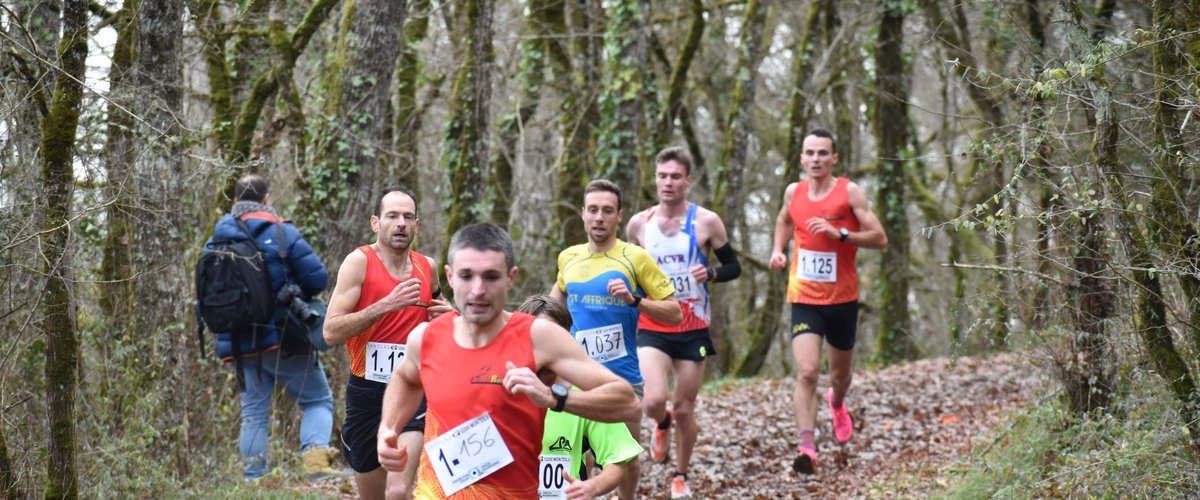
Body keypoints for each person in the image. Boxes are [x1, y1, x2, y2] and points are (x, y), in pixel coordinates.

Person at [376, 223, 640, 498]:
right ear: (450, 277)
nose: (477, 290)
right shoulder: (425, 338)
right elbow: (406, 378)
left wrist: (554, 398)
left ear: (511, 278)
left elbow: (628, 403)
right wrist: (388, 428)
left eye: (491, 277)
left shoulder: (539, 337)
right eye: (467, 276)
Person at [202, 174, 343, 481]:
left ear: (235, 202)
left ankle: (254, 481)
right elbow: (317, 279)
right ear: (266, 199)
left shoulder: (215, 241)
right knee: (317, 400)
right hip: (284, 337)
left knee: (253, 412)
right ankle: (316, 467)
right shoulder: (280, 232)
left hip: (238, 342)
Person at [551, 179, 682, 499]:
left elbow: (675, 312)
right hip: (575, 375)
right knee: (581, 455)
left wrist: (635, 300)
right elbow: (550, 311)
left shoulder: (635, 258)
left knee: (625, 458)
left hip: (621, 377)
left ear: (619, 216)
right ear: (582, 214)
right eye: (593, 210)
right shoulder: (568, 257)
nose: (599, 217)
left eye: (607, 211)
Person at [768, 128, 887, 474]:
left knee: (840, 376)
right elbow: (782, 220)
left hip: (842, 299)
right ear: (801, 158)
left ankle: (837, 402)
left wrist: (842, 235)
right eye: (810, 153)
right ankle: (807, 446)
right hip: (803, 297)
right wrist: (777, 251)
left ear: (834, 158)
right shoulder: (794, 192)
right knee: (806, 372)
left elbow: (880, 238)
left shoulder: (849, 192)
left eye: (823, 153)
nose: (816, 159)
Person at [323, 185, 453, 499]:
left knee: (397, 490)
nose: (401, 223)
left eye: (408, 217)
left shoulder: (427, 267)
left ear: (417, 226)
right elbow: (330, 332)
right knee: (376, 495)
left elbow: (445, 312)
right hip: (366, 391)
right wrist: (385, 304)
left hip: (413, 388)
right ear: (375, 223)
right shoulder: (359, 263)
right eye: (392, 216)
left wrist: (452, 315)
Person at [625, 147, 741, 497]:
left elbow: (733, 266)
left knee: (686, 409)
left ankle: (681, 475)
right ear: (655, 178)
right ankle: (662, 423)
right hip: (654, 326)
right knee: (652, 401)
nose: (668, 183)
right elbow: (628, 268)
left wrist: (710, 273)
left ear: (688, 180)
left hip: (693, 328)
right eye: (662, 176)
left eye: (675, 176)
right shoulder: (638, 224)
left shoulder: (706, 221)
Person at [518, 295, 643, 500]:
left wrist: (593, 486)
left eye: (552, 336)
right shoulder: (499, 386)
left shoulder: (584, 394)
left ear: (567, 340)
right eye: (536, 335)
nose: (544, 344)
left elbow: (618, 458)